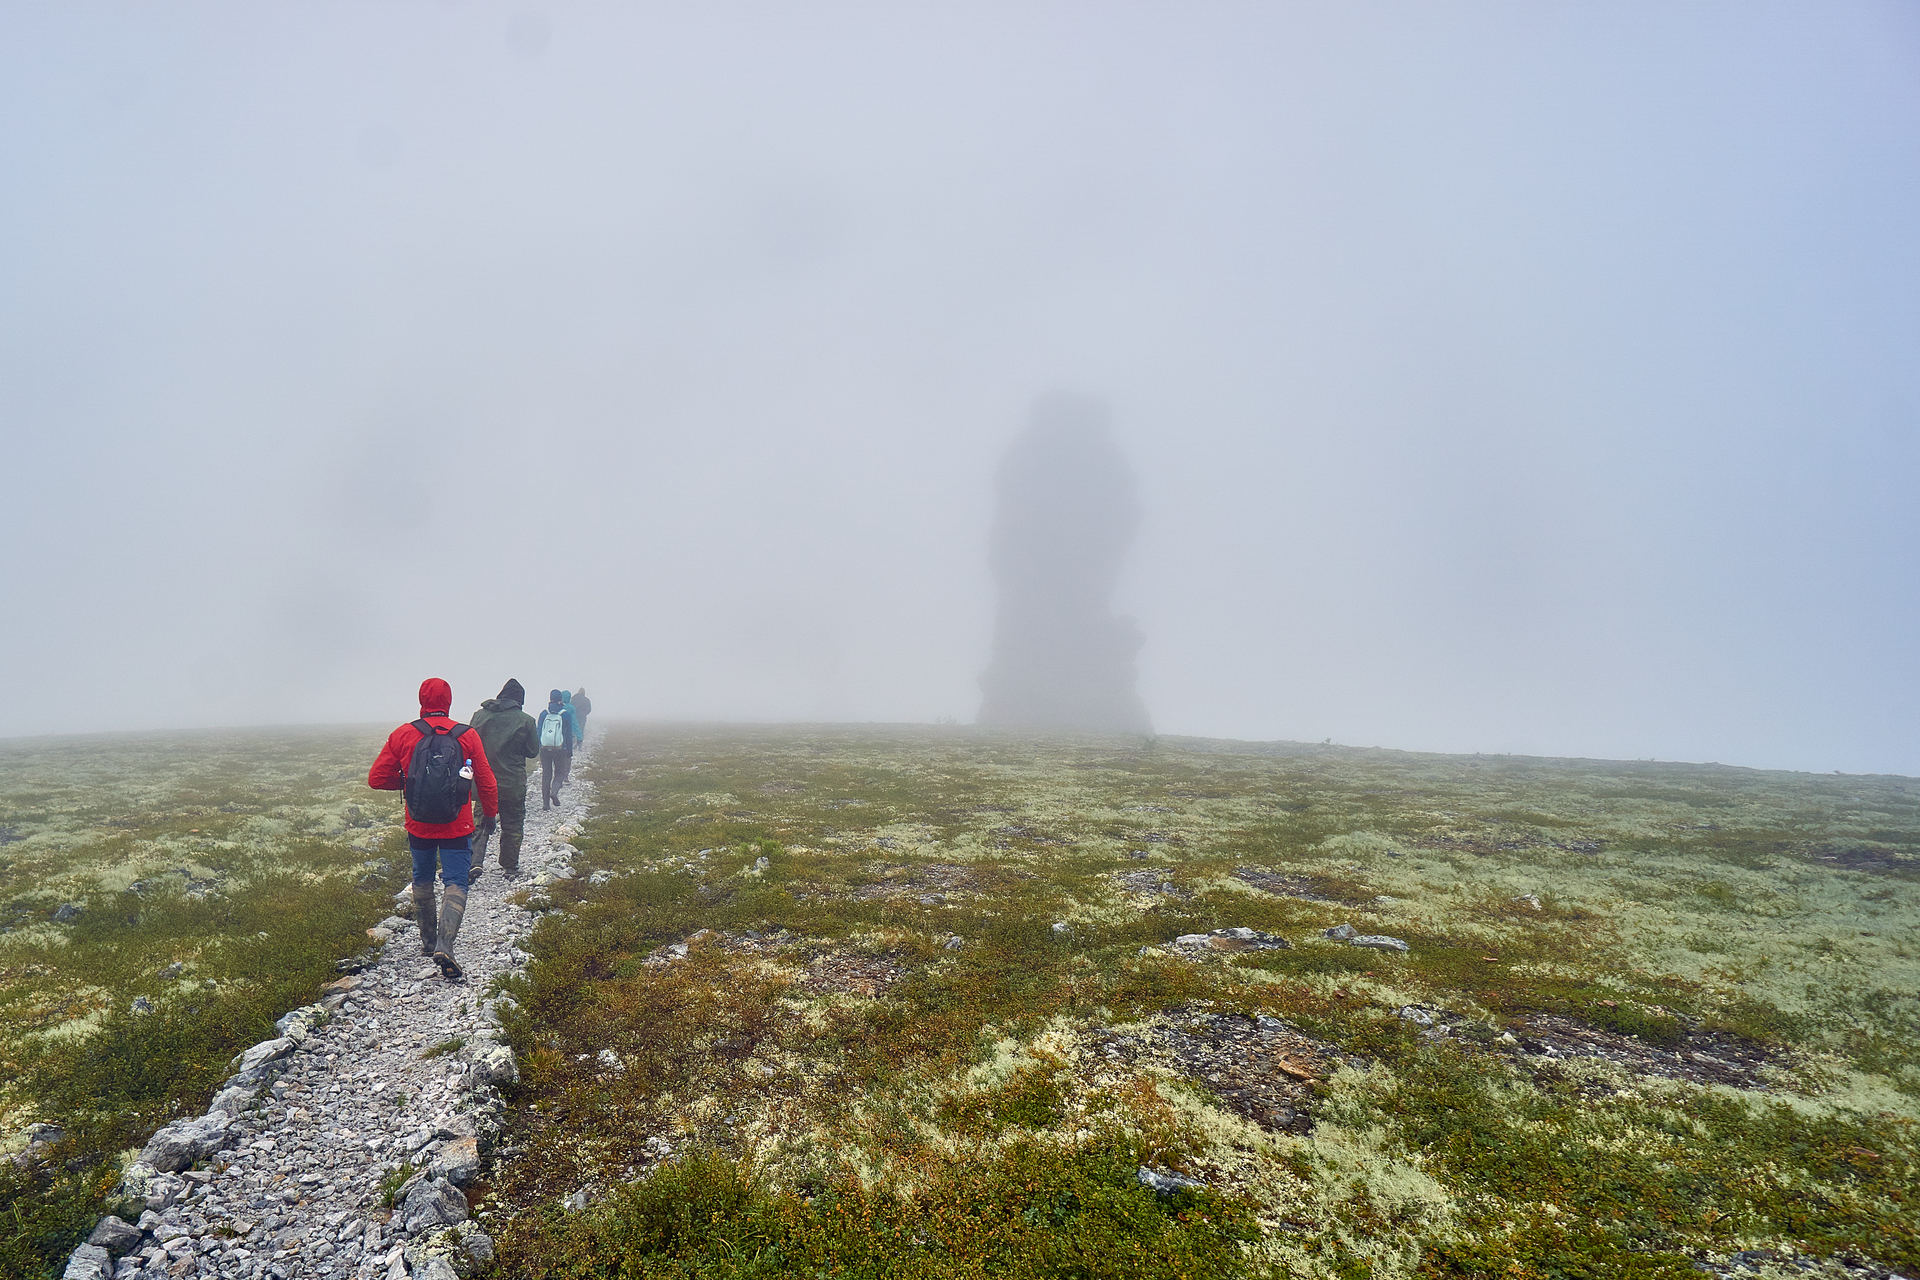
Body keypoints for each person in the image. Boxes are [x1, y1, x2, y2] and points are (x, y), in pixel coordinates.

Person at [367, 678, 498, 979]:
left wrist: (411, 784)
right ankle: (445, 943)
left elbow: (376, 778)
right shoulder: (467, 735)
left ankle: (427, 942)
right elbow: (487, 782)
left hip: (419, 823)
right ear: (449, 701)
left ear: (421, 701)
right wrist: (489, 815)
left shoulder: (403, 734)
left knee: (422, 878)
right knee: (456, 882)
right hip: (458, 824)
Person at [469, 678, 540, 879]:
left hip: (484, 782)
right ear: (520, 700)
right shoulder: (526, 720)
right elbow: (533, 751)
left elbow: (468, 744)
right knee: (513, 824)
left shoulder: (479, 716)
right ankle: (509, 866)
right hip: (512, 783)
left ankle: (474, 862)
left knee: (480, 822)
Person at [536, 688, 577, 810]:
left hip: (544, 748)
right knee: (560, 773)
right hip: (560, 749)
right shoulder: (565, 714)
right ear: (560, 700)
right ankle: (554, 792)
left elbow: (539, 732)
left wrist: (539, 747)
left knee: (546, 774)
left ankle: (545, 804)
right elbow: (569, 735)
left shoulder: (544, 713)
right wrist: (569, 751)